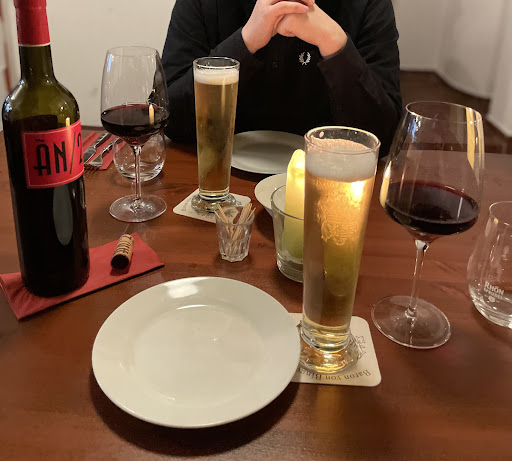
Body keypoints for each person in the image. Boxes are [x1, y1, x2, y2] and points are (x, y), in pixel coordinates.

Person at [162, 0, 402, 156]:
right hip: (220, 176)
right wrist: (246, 41)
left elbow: (381, 140)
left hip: (328, 181)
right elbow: (170, 119)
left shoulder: (368, 5)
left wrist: (333, 42)